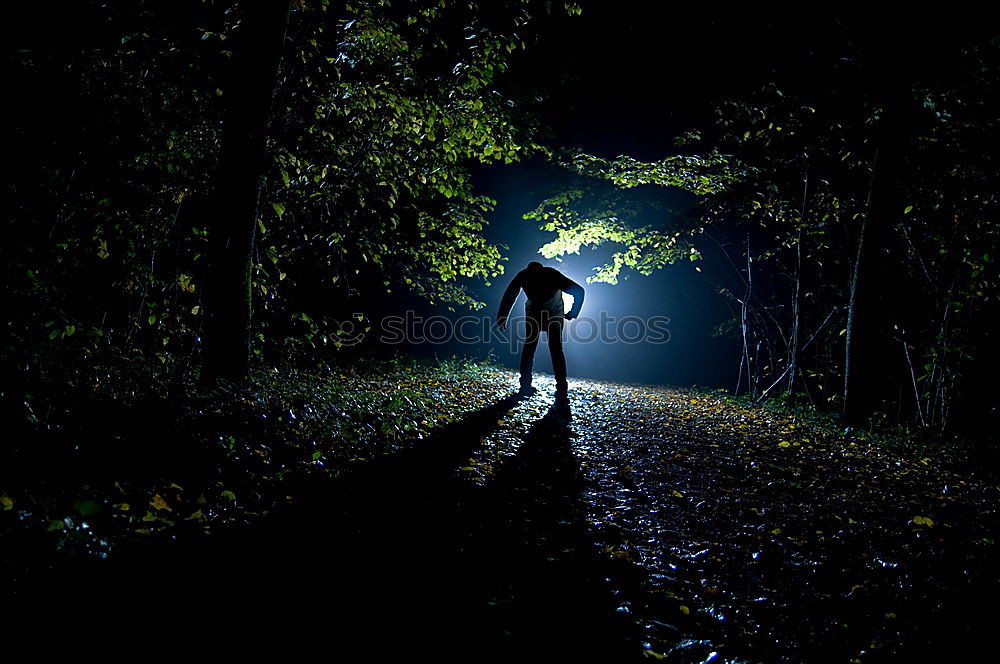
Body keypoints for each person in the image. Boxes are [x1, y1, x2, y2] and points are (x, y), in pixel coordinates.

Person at [496, 261, 585, 396]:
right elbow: (579, 291)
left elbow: (510, 294)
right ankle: (559, 386)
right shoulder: (548, 275)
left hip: (545, 314)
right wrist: (573, 312)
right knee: (553, 349)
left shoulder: (529, 275)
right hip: (546, 314)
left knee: (534, 347)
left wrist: (503, 314)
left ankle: (529, 384)